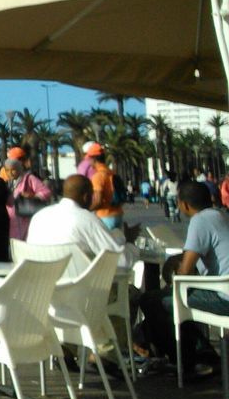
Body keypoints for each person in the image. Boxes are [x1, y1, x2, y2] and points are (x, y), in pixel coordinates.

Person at [137, 180, 229, 374]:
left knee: (153, 301)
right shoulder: (221, 215)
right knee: (163, 299)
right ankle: (201, 352)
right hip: (222, 288)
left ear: (184, 204)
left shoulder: (200, 220)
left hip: (224, 296)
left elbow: (184, 273)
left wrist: (176, 271)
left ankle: (190, 361)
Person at [27, 174, 131, 262]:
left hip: (43, 282)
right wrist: (129, 242)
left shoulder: (39, 216)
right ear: (86, 197)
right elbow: (121, 261)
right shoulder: (87, 219)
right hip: (79, 283)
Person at [6, 147, 53, 243]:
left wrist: (32, 196)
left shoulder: (29, 178)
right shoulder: (10, 179)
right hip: (12, 222)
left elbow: (46, 192)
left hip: (25, 221)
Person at [85, 143, 123, 230]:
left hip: (105, 215)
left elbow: (98, 201)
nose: (88, 162)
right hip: (118, 213)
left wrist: (85, 210)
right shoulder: (111, 172)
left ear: (93, 159)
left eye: (89, 159)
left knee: (105, 243)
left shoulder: (98, 176)